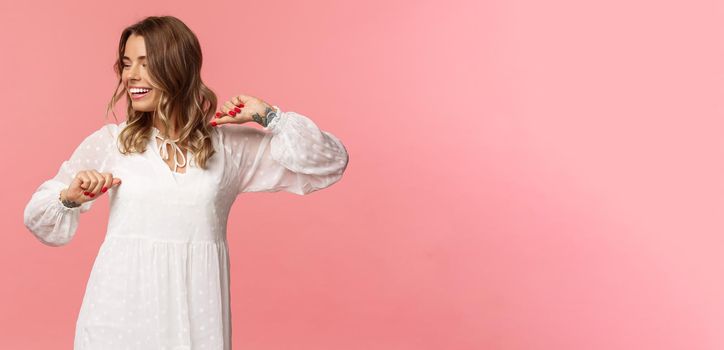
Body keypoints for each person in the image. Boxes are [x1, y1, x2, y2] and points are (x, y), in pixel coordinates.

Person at [22, 15, 349, 350]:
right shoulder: (112, 142)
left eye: (146, 64)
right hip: (115, 317)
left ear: (177, 68)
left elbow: (329, 163)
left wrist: (269, 116)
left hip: (197, 317)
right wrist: (70, 197)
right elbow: (38, 217)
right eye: (126, 64)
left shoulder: (228, 147)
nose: (131, 75)